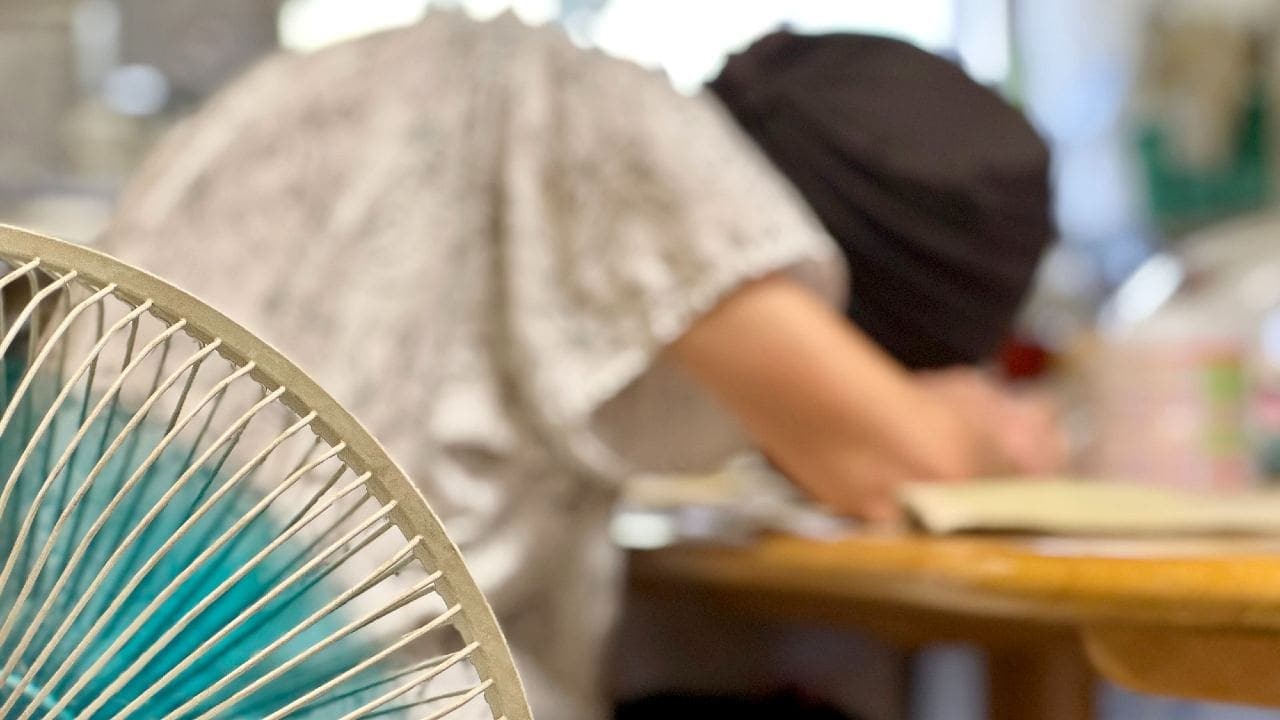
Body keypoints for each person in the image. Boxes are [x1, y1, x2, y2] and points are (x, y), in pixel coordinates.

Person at [102, 11, 1059, 719]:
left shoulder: (360, 75)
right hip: (348, 684)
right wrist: (990, 424)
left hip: (77, 663)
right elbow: (906, 461)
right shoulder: (632, 131)